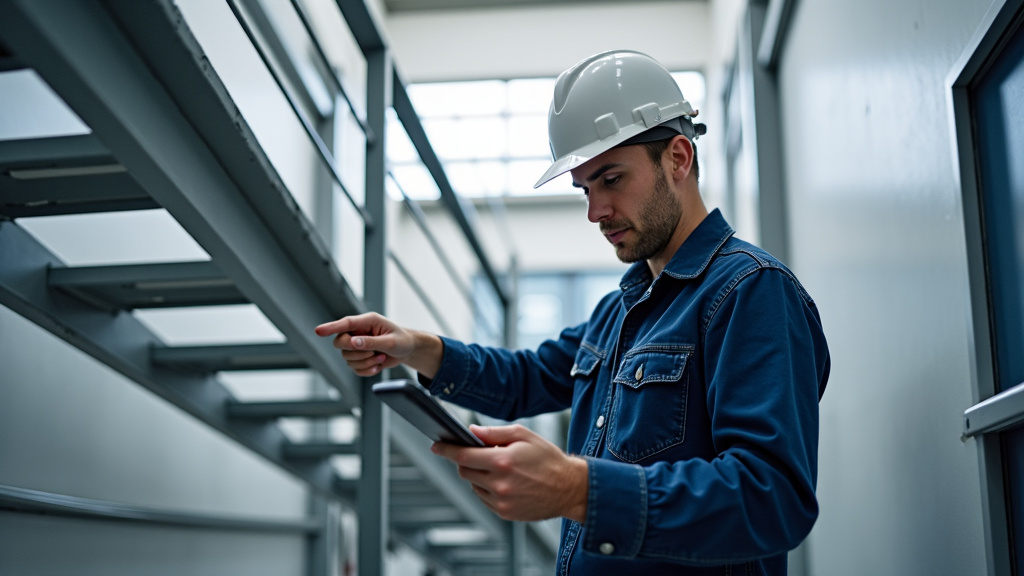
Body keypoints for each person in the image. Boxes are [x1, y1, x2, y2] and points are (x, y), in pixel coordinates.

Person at [316, 49, 830, 575]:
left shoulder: (751, 292)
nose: (594, 211)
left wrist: (577, 488)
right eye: (584, 189)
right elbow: (527, 378)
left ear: (678, 158)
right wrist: (416, 348)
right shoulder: (618, 313)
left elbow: (772, 499)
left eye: (611, 179)